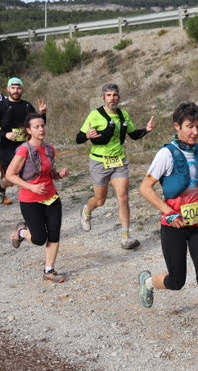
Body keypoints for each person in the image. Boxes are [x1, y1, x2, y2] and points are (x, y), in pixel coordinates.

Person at [138, 102, 198, 353]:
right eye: (190, 127)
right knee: (176, 281)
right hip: (173, 226)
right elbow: (145, 188)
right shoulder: (166, 154)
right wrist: (168, 212)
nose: (195, 132)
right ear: (177, 126)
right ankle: (148, 282)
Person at [77, 83, 155, 249]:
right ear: (103, 98)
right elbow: (78, 138)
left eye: (115, 95)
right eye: (109, 95)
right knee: (100, 200)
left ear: (118, 97)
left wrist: (147, 130)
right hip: (99, 161)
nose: (112, 98)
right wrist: (87, 135)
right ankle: (87, 210)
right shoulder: (95, 115)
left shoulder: (123, 115)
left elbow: (133, 135)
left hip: (118, 161)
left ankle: (126, 237)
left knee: (123, 197)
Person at [6, 113, 70, 283]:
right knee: (39, 239)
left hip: (51, 197)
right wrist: (32, 187)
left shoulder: (50, 149)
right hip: (30, 199)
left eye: (42, 126)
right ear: (29, 130)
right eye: (36, 127)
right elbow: (10, 175)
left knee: (54, 234)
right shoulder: (24, 150)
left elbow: (50, 174)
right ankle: (21, 232)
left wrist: (59, 174)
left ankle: (49, 270)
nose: (41, 129)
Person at [0, 77, 47, 205]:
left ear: (22, 90)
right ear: (8, 89)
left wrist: (42, 114)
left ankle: (33, 198)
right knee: (11, 178)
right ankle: (1, 187)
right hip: (8, 147)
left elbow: (38, 125)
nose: (16, 91)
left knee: (30, 171)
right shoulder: (1, 106)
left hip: (25, 145)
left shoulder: (27, 106)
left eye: (18, 88)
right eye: (13, 88)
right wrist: (5, 134)